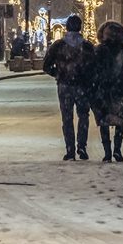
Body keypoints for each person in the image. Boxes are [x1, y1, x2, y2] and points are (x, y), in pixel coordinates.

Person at [43, 15, 95, 161]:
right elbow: (94, 67)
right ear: (80, 27)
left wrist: (57, 73)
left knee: (67, 118)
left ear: (66, 27)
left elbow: (46, 65)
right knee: (83, 116)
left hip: (64, 86)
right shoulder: (87, 46)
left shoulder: (58, 46)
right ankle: (82, 146)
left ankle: (70, 149)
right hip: (82, 86)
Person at [90, 21, 123, 162]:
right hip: (120, 91)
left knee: (104, 121)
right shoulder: (122, 52)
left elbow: (91, 71)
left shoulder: (98, 50)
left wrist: (92, 89)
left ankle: (107, 153)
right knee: (119, 121)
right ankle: (117, 150)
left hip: (103, 91)